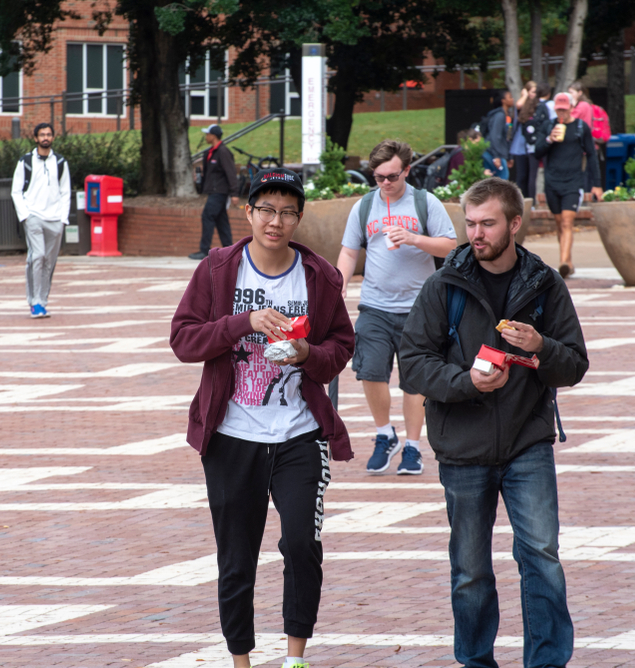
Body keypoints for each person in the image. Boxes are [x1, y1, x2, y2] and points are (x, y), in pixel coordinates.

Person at [399, 177, 589, 668]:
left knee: (542, 558)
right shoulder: (445, 285)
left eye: (487, 223)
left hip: (528, 442)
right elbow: (414, 362)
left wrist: (540, 346)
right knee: (469, 570)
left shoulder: (545, 283)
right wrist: (467, 382)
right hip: (462, 446)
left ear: (515, 224)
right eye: (470, 223)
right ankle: (476, 661)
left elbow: (574, 364)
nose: (476, 233)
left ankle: (546, 663)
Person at [170, 168, 354, 668]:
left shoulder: (318, 275)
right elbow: (184, 339)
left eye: (288, 211)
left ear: (298, 217)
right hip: (231, 437)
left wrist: (305, 354)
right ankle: (242, 661)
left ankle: (296, 658)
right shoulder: (216, 269)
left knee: (301, 544)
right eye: (267, 210)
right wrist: (241, 323)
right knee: (236, 559)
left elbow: (340, 348)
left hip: (300, 433)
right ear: (248, 212)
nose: (276, 221)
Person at [335, 140, 457, 475]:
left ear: (406, 170)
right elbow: (349, 251)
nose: (386, 183)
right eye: (378, 177)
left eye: (392, 176)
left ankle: (413, 447)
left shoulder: (424, 202)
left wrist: (415, 238)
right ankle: (383, 433)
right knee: (370, 370)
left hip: (420, 308)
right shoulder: (364, 206)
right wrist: (339, 283)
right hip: (374, 306)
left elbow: (450, 246)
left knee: (414, 381)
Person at [534, 92, 603, 279]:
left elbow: (591, 155)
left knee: (567, 222)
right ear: (555, 108)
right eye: (559, 109)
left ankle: (563, 262)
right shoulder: (548, 126)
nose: (561, 113)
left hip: (573, 182)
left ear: (572, 108)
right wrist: (549, 139)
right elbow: (537, 152)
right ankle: (569, 261)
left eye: (565, 109)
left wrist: (597, 184)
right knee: (559, 223)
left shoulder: (581, 127)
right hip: (552, 181)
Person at [11, 123, 71, 318]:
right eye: (42, 135)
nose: (46, 137)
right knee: (37, 256)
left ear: (53, 138)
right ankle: (34, 302)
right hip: (34, 216)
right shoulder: (25, 162)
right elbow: (16, 190)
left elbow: (65, 192)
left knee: (49, 262)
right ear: (35, 138)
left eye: (49, 134)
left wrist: (63, 219)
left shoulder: (60, 162)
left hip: (55, 219)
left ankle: (42, 300)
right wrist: (25, 216)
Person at [189, 124, 239, 261]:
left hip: (220, 192)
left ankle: (204, 250)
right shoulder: (209, 152)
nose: (206, 137)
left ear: (213, 136)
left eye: (207, 134)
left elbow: (231, 173)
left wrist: (234, 193)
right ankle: (230, 251)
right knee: (221, 220)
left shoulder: (223, 152)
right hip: (213, 191)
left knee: (207, 216)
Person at [511, 88, 539, 200]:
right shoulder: (522, 107)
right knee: (522, 176)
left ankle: (530, 203)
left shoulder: (539, 107)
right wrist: (525, 95)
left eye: (535, 92)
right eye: (531, 91)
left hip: (532, 147)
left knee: (531, 176)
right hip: (520, 147)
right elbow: (518, 105)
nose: (533, 94)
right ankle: (520, 201)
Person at [482, 90, 514, 180]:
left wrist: (509, 156)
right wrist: (496, 156)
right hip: (493, 153)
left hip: (497, 153)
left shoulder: (507, 115)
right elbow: (495, 137)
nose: (512, 99)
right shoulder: (499, 116)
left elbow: (507, 137)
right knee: (503, 179)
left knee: (492, 180)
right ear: (503, 101)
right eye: (510, 97)